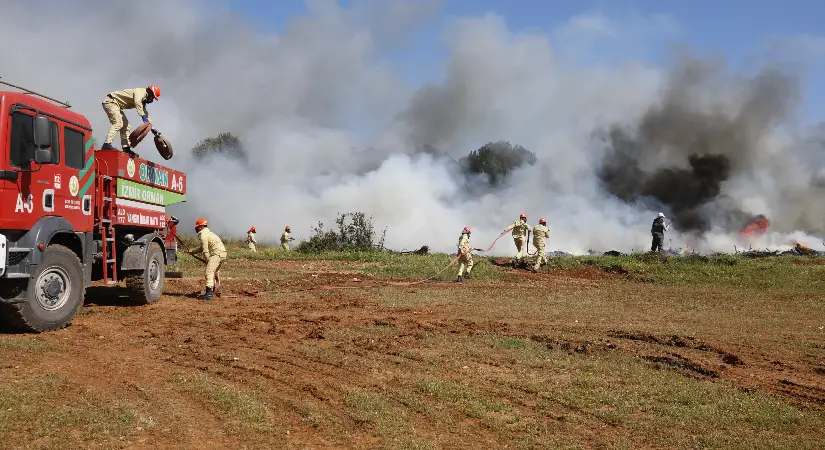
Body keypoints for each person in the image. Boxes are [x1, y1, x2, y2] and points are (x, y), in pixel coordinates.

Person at [101, 85, 161, 158]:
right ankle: (106, 144)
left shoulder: (143, 100)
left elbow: (145, 112)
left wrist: (152, 128)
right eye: (153, 97)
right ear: (151, 93)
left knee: (126, 126)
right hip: (111, 102)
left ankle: (126, 148)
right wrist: (143, 117)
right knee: (118, 123)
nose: (152, 100)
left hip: (117, 106)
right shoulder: (140, 92)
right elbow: (137, 102)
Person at [189, 218, 227, 300]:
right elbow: (202, 248)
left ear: (201, 227)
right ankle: (213, 290)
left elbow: (205, 251)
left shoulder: (203, 235)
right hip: (223, 253)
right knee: (213, 272)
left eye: (197, 226)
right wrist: (192, 251)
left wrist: (207, 260)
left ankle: (208, 294)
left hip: (216, 254)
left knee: (209, 272)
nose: (196, 228)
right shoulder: (209, 233)